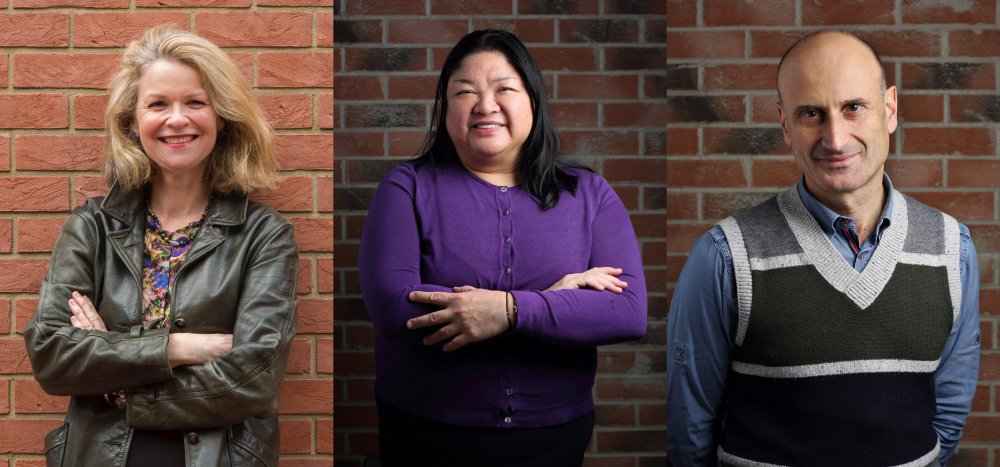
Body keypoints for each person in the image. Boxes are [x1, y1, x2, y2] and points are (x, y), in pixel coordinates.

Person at [667, 30, 980, 466]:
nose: (835, 138)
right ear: (784, 124)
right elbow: (689, 431)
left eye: (854, 107)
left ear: (889, 109)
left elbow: (947, 416)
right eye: (812, 113)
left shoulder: (953, 248)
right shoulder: (725, 255)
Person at [359, 29, 647, 467]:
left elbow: (627, 311)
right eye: (465, 92)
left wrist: (513, 309)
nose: (485, 105)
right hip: (426, 432)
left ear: (532, 100)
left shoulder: (589, 194)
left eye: (504, 89)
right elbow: (394, 309)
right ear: (445, 108)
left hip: (553, 437)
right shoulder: (407, 187)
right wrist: (557, 301)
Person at [23, 26, 298, 467]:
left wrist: (118, 381)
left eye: (195, 102)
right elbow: (52, 356)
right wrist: (179, 347)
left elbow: (254, 377)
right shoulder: (92, 227)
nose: (176, 119)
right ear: (133, 122)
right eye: (157, 104)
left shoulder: (264, 235)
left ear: (222, 117)